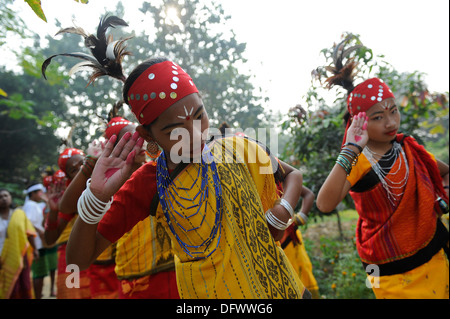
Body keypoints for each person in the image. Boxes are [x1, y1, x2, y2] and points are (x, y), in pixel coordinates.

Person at [64, 56, 310, 299]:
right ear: (148, 135)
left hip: (287, 290)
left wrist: (283, 210)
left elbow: (293, 175)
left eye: (200, 116)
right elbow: (79, 259)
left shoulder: (237, 148)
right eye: (175, 130)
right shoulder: (149, 182)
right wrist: (96, 197)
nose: (195, 135)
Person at [315, 41, 449, 299]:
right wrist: (350, 149)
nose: (390, 123)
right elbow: (324, 204)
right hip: (387, 269)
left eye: (394, 112)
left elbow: (442, 172)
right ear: (360, 122)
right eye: (377, 117)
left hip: (432, 254)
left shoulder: (407, 147)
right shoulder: (358, 160)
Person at [44, 150, 92, 299]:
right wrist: (53, 211)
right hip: (77, 260)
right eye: (73, 170)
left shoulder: (112, 177)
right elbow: (50, 239)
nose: (80, 169)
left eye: (82, 163)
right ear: (69, 178)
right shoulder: (72, 199)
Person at [280, 186, 320, 299]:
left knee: (300, 282)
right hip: (268, 246)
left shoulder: (275, 173)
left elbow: (309, 195)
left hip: (290, 244)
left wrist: (300, 217)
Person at [0, 188, 37, 299]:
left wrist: (35, 249)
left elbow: (29, 233)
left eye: (6, 196)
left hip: (20, 255)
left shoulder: (19, 214)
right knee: (6, 285)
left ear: (10, 198)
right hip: (2, 257)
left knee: (24, 284)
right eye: (0, 197)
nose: (4, 199)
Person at [22, 183, 49, 299]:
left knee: (41, 272)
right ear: (32, 193)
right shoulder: (30, 205)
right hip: (36, 244)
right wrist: (40, 232)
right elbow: (28, 224)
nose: (41, 194)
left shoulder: (34, 205)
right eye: (39, 192)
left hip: (38, 243)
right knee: (39, 272)